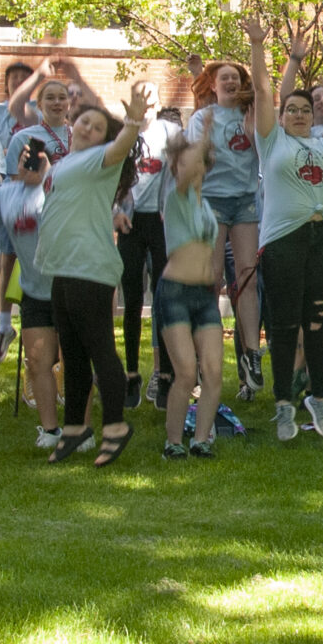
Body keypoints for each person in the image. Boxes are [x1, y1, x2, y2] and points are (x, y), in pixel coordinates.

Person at [249, 23, 323, 441]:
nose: (299, 114)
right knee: (283, 325)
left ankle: (318, 396)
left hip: (321, 242)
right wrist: (258, 45)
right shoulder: (272, 143)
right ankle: (283, 404)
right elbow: (264, 91)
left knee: (316, 321)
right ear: (280, 118)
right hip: (283, 241)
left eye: (305, 110)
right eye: (291, 110)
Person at [37, 84, 151, 466]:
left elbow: (120, 148)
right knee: (72, 353)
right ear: (73, 123)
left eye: (97, 127)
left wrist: (132, 122)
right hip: (63, 267)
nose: (88, 128)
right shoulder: (66, 163)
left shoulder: (101, 159)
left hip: (89, 268)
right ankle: (75, 428)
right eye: (84, 121)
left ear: (105, 138)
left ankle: (116, 426)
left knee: (100, 348)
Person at [189, 56, 265, 397]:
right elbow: (195, 162)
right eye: (225, 78)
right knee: (213, 279)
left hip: (245, 200)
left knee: (247, 277)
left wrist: (253, 133)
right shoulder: (202, 118)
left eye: (236, 77)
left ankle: (252, 353)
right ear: (214, 84)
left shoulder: (251, 114)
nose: (231, 82)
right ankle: (207, 355)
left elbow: (268, 152)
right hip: (213, 200)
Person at [155, 134, 224, 457]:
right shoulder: (175, 196)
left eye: (194, 161)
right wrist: (205, 132)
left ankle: (201, 440)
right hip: (175, 293)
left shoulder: (205, 205)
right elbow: (185, 176)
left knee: (213, 372)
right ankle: (173, 442)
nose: (188, 167)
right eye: (181, 163)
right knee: (185, 372)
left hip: (204, 295)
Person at [0, 139, 61, 454]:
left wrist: (48, 175)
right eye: (25, 158)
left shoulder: (59, 188)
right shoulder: (7, 194)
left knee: (74, 361)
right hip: (33, 289)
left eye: (38, 159)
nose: (31, 163)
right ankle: (50, 429)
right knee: (37, 361)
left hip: (67, 286)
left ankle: (80, 428)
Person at [117, 90, 179, 409]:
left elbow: (187, 167)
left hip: (161, 221)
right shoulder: (123, 132)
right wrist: (116, 210)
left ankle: (166, 374)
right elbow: (111, 174)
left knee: (163, 297)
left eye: (153, 101)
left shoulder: (171, 132)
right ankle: (131, 375)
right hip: (130, 221)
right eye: (143, 101)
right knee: (131, 298)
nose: (148, 107)